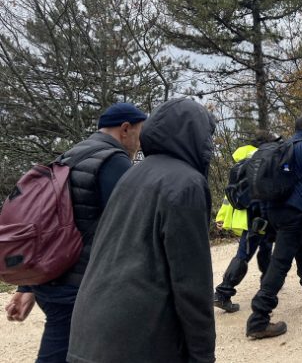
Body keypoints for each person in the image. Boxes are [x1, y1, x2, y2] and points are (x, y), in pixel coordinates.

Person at [66, 98, 216, 363]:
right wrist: (202, 355)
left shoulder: (132, 175)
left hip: (88, 336)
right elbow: (192, 282)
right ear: (197, 137)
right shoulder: (186, 184)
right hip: (137, 342)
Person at [5, 103, 146, 363]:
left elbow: (47, 224)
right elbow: (134, 224)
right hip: (80, 288)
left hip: (53, 277)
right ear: (125, 129)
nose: (140, 142)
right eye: (139, 133)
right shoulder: (113, 161)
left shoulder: (70, 156)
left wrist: (27, 284)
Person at [246, 115, 302, 339]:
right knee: (281, 262)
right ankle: (259, 318)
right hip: (293, 212)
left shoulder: (284, 146)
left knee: (301, 246)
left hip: (275, 209)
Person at [213, 134, 278, 313]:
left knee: (265, 248)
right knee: (244, 255)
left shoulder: (241, 161)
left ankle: (268, 285)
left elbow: (229, 195)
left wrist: (222, 216)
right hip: (258, 216)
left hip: (245, 216)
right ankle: (223, 292)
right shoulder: (262, 159)